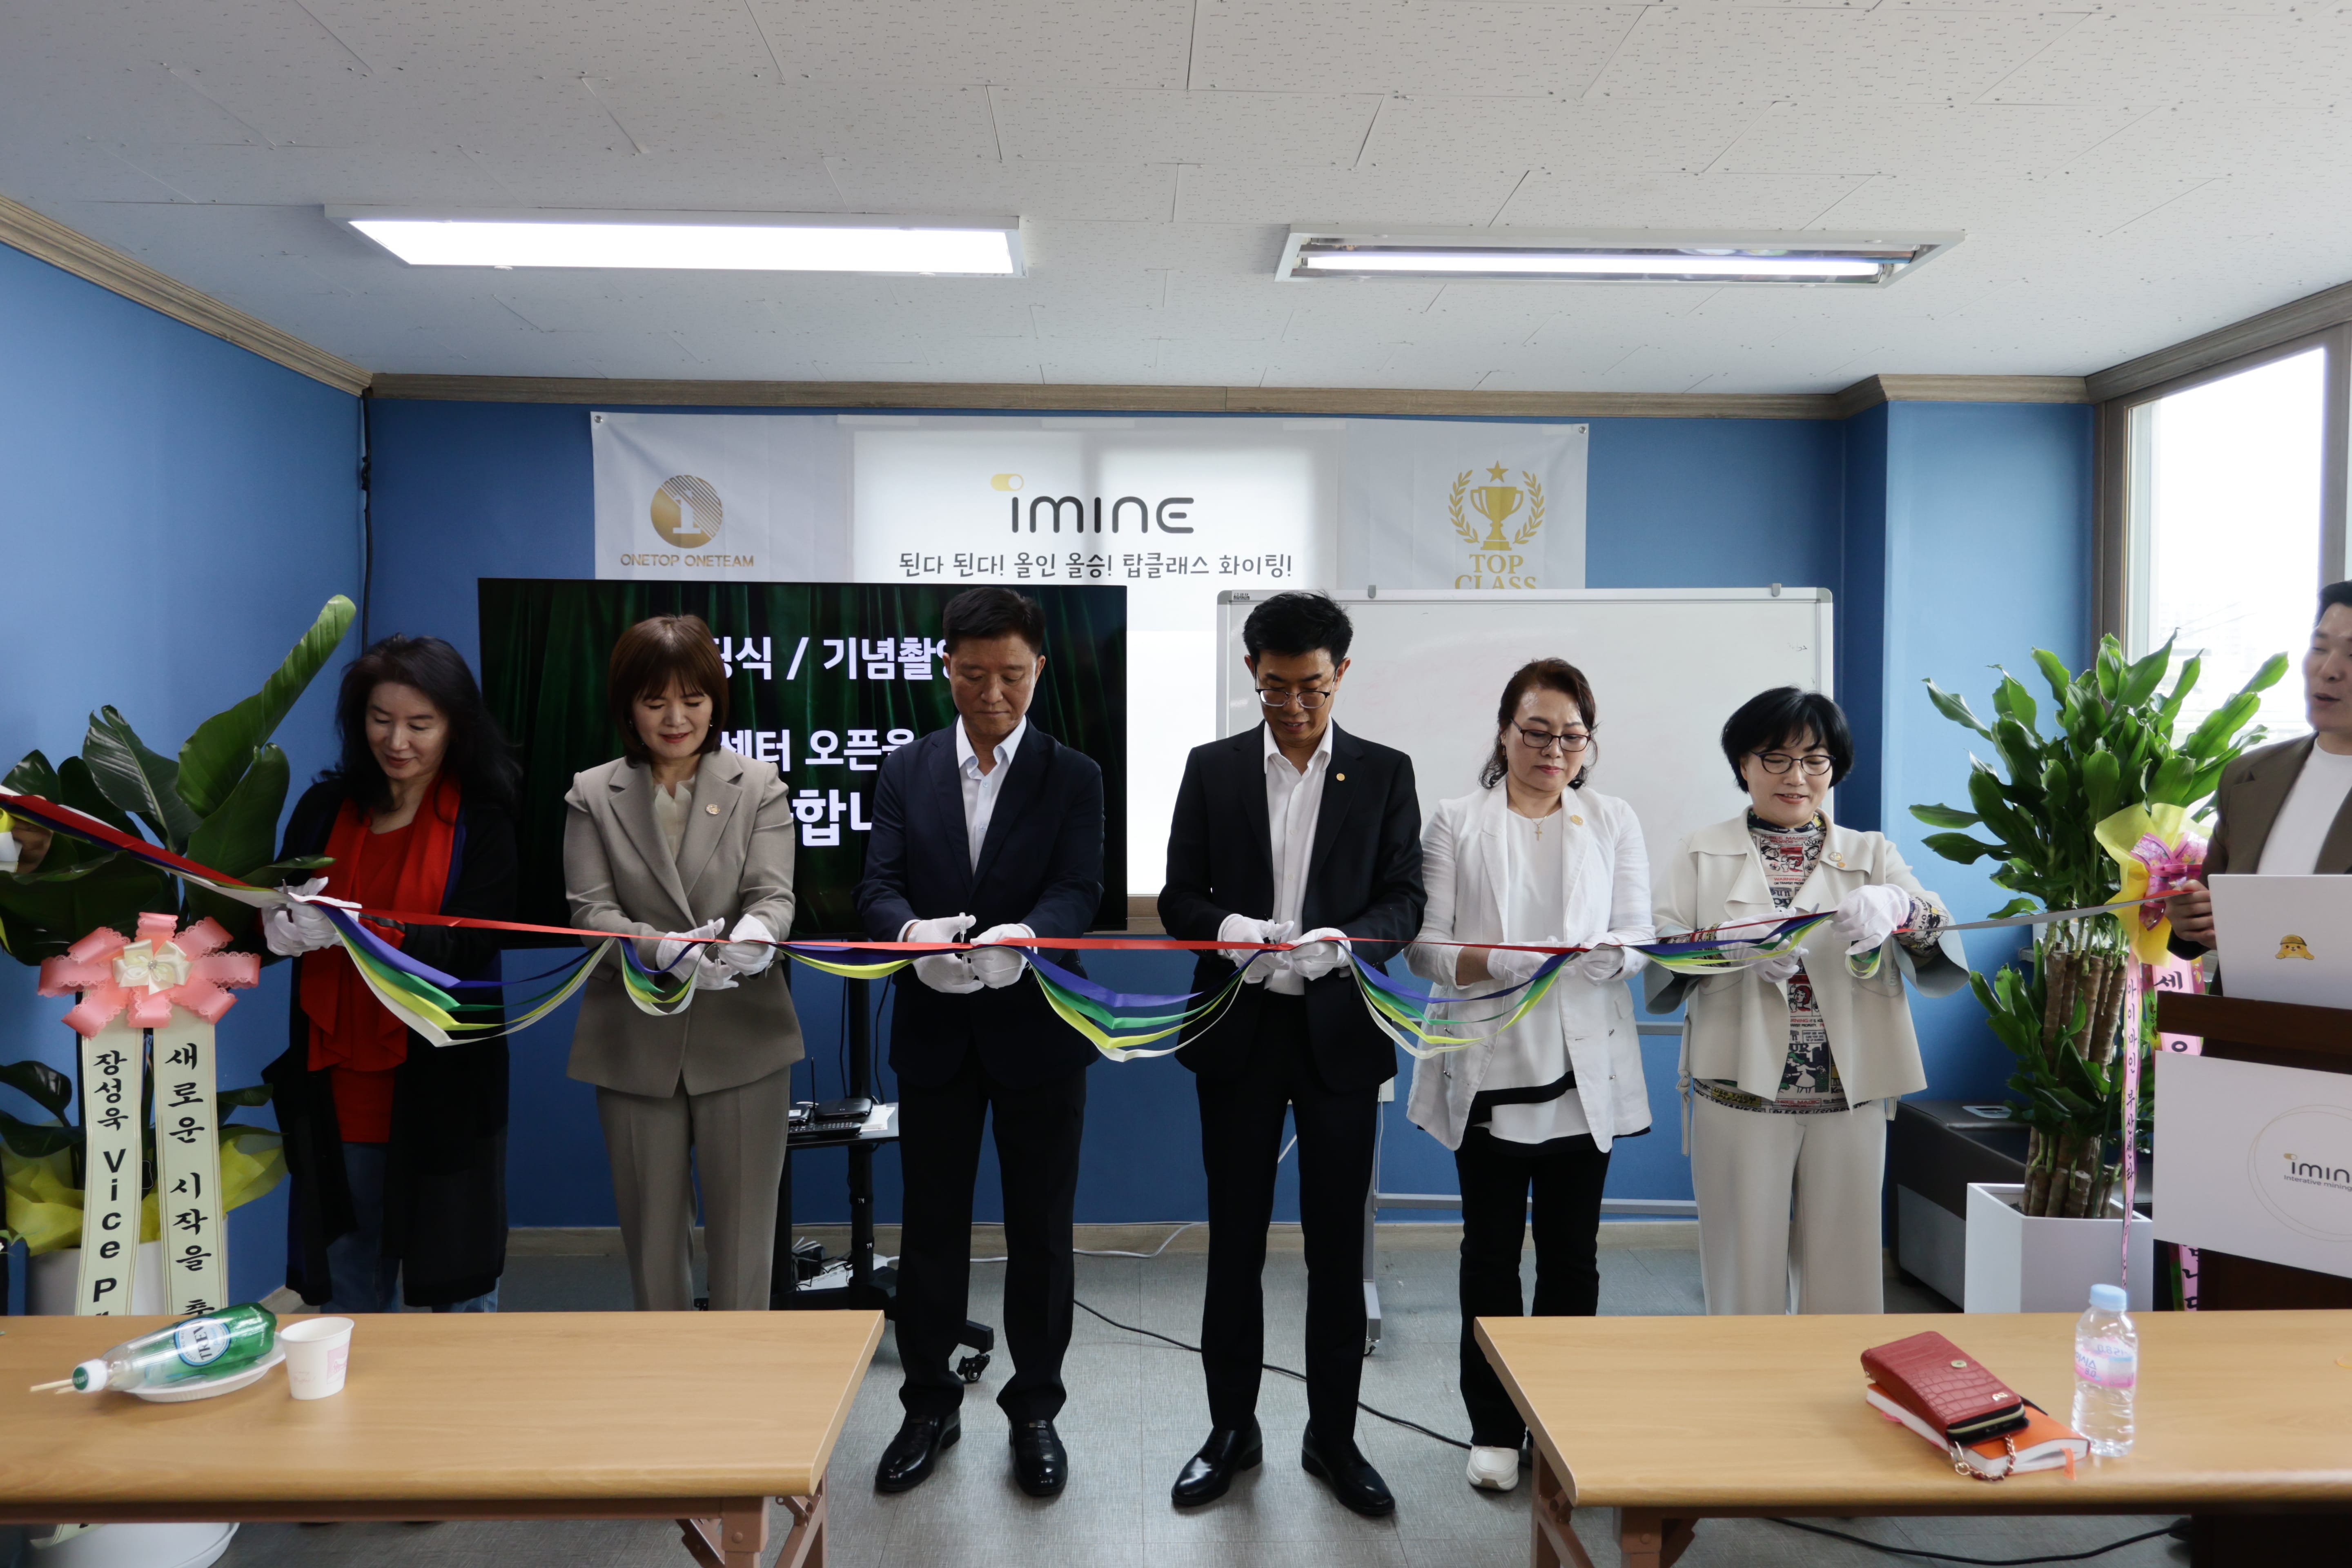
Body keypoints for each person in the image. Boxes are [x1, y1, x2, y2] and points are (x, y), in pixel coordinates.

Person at [1159, 591, 1425, 1518]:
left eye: (1313, 686)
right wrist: (1229, 927)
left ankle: (1333, 1436)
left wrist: (1349, 944)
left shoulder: (1384, 772)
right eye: (1276, 687)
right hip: (1239, 1032)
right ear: (1252, 674)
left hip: (1337, 1037)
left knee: (1335, 1248)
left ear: (1340, 673)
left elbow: (1404, 900)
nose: (1296, 705)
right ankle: (1230, 1430)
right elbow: (1178, 898)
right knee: (1233, 1241)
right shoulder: (1213, 768)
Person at [857, 587, 1105, 1499]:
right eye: (972, 674)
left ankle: (1035, 1409)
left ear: (1039, 668)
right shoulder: (906, 768)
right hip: (935, 1035)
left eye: (1011, 674)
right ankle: (929, 1404)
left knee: (1042, 1229)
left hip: (1038, 1033)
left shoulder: (1074, 774)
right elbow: (876, 886)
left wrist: (1027, 938)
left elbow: (1079, 890)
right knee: (931, 1226)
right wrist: (912, 936)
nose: (992, 693)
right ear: (945, 668)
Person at [1405, 659, 1653, 1494]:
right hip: (1490, 1070)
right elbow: (1425, 948)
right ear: (1505, 733)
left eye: (1571, 736)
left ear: (1589, 743)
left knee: (1572, 1259)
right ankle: (1493, 1428)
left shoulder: (1612, 819)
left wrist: (1619, 955)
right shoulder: (1456, 821)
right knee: (1490, 1257)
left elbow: (1640, 931)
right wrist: (1494, 960)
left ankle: (1561, 1420)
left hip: (1582, 1076)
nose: (1554, 751)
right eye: (1536, 732)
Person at [1650, 687, 1967, 1316]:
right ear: (1743, 764)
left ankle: (1835, 1382)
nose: (1796, 777)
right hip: (1739, 1093)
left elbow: (1936, 929)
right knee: (1742, 1281)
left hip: (1850, 1097)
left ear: (1834, 768)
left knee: (1847, 1285)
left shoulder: (1873, 854)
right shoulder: (1700, 851)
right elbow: (1664, 952)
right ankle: (1747, 1383)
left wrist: (1901, 908)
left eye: (1815, 760)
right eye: (1776, 758)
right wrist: (1729, 947)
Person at [260, 635, 520, 1312]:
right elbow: (276, 911)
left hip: (443, 1083)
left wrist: (358, 931)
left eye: (420, 724)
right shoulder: (324, 810)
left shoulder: (487, 819)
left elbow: (471, 942)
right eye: (381, 719)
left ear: (456, 726)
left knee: (455, 1282)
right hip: (337, 1077)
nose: (397, 741)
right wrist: (277, 927)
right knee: (347, 1276)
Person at [563, 614, 802, 1313]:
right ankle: (664, 1379)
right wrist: (660, 949)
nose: (676, 719)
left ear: (715, 702)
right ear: (627, 707)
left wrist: (756, 937)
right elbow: (590, 914)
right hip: (634, 1043)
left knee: (745, 1250)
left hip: (744, 1036)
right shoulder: (591, 793)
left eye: (693, 700)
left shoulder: (759, 785)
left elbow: (774, 896)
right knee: (653, 1248)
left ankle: (741, 1381)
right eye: (655, 701)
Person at [2168, 581, 2352, 951]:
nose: (2329, 670)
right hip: (2246, 991)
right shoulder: (2249, 776)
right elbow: (2210, 910)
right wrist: (2190, 921)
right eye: (2319, 648)